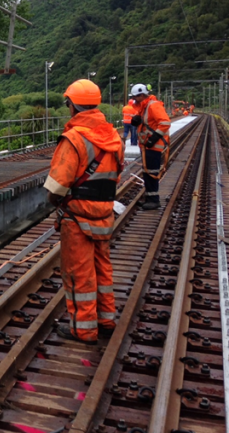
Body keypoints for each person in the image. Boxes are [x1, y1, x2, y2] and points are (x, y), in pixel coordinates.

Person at [44, 79, 123, 344]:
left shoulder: (73, 138)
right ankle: (106, 319)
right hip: (104, 214)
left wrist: (54, 202)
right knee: (102, 268)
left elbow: (58, 185)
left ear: (72, 105)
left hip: (77, 216)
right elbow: (115, 174)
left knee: (79, 273)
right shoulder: (113, 136)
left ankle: (84, 329)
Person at [130, 84, 171, 210]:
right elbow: (149, 123)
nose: (134, 100)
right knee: (147, 173)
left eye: (135, 97)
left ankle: (153, 200)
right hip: (147, 146)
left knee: (151, 173)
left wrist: (153, 139)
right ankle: (150, 198)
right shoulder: (145, 106)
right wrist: (137, 120)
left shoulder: (153, 105)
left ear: (142, 95)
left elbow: (165, 123)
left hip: (153, 146)